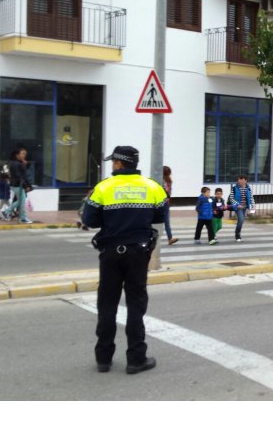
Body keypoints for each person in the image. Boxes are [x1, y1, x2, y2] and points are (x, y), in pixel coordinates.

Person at [81, 145, 167, 375]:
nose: (112, 166)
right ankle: (136, 359)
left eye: (113, 162)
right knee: (136, 306)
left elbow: (89, 219)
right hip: (138, 254)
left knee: (107, 304)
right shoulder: (153, 187)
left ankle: (103, 359)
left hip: (110, 253)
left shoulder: (103, 188)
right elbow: (160, 215)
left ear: (119, 163)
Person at [2, 148, 33, 224]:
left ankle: (7, 212)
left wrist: (24, 165)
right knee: (21, 201)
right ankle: (22, 218)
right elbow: (20, 176)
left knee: (21, 201)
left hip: (17, 184)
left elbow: (23, 173)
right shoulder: (16, 163)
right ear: (17, 155)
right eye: (22, 153)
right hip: (18, 185)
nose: (24, 155)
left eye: (25, 154)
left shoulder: (17, 163)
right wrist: (26, 186)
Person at [229, 175, 255, 242]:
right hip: (238, 207)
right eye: (239, 179)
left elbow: (251, 197)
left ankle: (237, 232)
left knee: (241, 221)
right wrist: (237, 204)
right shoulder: (235, 188)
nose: (240, 181)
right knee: (241, 219)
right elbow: (231, 198)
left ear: (245, 180)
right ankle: (237, 235)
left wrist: (253, 206)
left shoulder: (248, 188)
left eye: (242, 179)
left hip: (245, 207)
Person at [161, 166, 178, 245]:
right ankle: (170, 238)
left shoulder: (162, 181)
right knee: (166, 222)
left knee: (153, 220)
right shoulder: (169, 181)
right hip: (166, 203)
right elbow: (169, 193)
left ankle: (170, 238)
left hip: (159, 203)